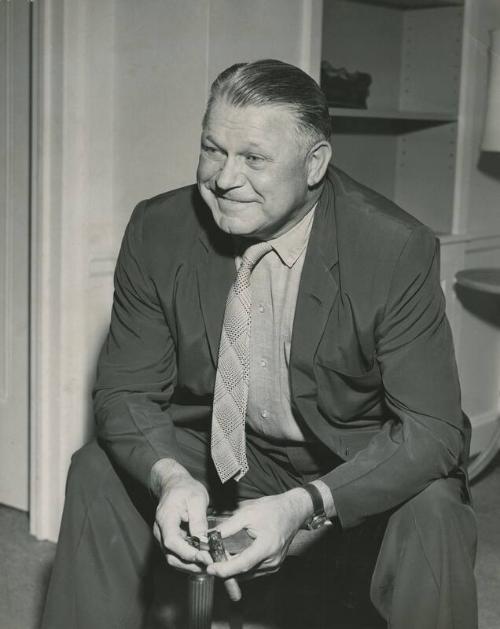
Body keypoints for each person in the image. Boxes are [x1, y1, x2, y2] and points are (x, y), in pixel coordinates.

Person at [41, 59, 477, 629]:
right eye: (212, 148)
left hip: (343, 461)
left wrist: (307, 505)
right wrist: (170, 477)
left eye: (254, 158)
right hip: (222, 450)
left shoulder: (395, 249)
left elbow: (433, 430)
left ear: (314, 163)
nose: (223, 177)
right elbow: (125, 390)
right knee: (97, 469)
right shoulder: (158, 227)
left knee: (435, 508)